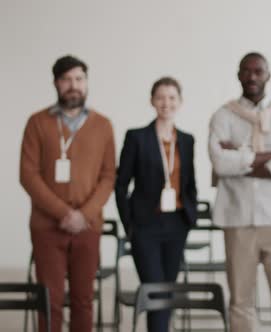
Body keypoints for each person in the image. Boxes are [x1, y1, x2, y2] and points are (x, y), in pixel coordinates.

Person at [19, 55, 116, 332]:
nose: (74, 85)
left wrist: (83, 215)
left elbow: (109, 176)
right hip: (47, 226)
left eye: (79, 79)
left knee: (83, 300)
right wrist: (64, 213)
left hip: (87, 226)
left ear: (86, 83)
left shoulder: (103, 125)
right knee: (50, 300)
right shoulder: (37, 123)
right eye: (67, 79)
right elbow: (28, 175)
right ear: (56, 83)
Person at [208, 52, 271, 332]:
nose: (252, 77)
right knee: (240, 301)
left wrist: (239, 156)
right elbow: (219, 163)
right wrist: (266, 156)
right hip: (238, 221)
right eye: (246, 71)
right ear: (238, 75)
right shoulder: (223, 115)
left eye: (258, 71)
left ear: (268, 75)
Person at [115, 77, 197, 332]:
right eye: (161, 97)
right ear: (152, 101)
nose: (166, 103)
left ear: (180, 102)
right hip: (145, 225)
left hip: (176, 224)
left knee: (167, 291)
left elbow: (189, 182)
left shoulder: (186, 140)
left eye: (172, 97)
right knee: (154, 290)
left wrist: (189, 218)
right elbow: (121, 184)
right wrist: (130, 225)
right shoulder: (137, 137)